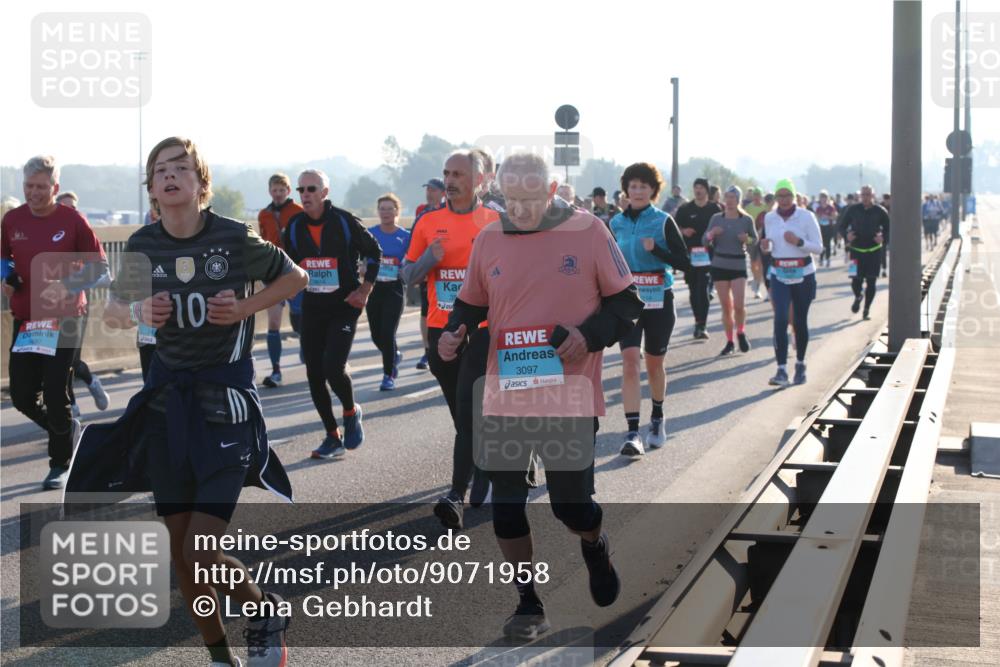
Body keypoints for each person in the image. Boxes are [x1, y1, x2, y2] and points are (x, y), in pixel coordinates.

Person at [67, 136, 307, 667]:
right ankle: (222, 657)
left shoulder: (233, 238)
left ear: (201, 183)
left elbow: (295, 277)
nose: (169, 176)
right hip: (167, 412)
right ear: (152, 188)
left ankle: (263, 608)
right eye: (160, 170)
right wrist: (137, 315)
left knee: (200, 550)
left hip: (226, 409)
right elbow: (111, 314)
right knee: (182, 556)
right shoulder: (142, 244)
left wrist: (244, 307)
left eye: (181, 168)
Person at [438, 152, 643, 640]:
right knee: (506, 508)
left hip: (569, 395)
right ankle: (527, 603)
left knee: (571, 508)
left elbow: (627, 305)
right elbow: (470, 301)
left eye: (531, 199)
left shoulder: (588, 231)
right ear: (498, 193)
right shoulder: (490, 237)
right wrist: (455, 331)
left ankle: (595, 543)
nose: (522, 209)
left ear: (552, 192)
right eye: (512, 199)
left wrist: (587, 336)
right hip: (507, 392)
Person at [401, 150, 500, 529]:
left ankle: (456, 494)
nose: (450, 179)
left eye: (458, 173)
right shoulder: (428, 222)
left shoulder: (493, 222)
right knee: (464, 417)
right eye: (446, 172)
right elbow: (408, 276)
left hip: (482, 329)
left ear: (479, 179)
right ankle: (488, 469)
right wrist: (429, 258)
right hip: (442, 331)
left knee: (470, 406)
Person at [2, 155, 108, 489]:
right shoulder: (12, 220)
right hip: (28, 319)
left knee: (55, 389)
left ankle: (59, 463)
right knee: (21, 395)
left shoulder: (73, 220)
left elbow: (101, 269)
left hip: (66, 319)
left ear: (55, 187)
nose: (33, 193)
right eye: (28, 186)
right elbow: (2, 259)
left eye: (40, 187)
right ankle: (66, 431)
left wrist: (70, 284)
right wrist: (6, 277)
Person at [284, 169, 382, 459]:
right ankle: (332, 436)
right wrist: (285, 286)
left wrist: (365, 290)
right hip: (313, 307)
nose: (305, 195)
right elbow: (285, 261)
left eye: (311, 189)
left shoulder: (344, 220)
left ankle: (351, 411)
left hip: (344, 306)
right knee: (314, 373)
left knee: (333, 367)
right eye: (300, 190)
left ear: (325, 192)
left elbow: (374, 253)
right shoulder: (294, 226)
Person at [609, 163, 690, 457]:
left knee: (654, 364)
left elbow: (683, 262)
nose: (638, 191)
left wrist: (656, 250)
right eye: (633, 186)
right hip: (628, 301)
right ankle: (632, 432)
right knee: (630, 361)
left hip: (659, 298)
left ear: (653, 191)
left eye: (644, 186)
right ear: (626, 190)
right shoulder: (616, 222)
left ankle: (657, 417)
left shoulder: (663, 220)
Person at [760, 179, 822, 387]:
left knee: (800, 321)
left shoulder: (806, 216)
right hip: (779, 274)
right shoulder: (770, 218)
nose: (784, 200)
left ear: (794, 197)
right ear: (776, 198)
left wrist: (799, 242)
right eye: (780, 196)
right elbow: (770, 248)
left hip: (803, 273)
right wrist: (765, 246)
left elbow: (819, 247)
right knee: (780, 319)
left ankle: (801, 365)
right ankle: (781, 370)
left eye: (788, 195)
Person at [55, 190, 111, 416]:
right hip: (50, 307)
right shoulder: (47, 233)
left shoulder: (81, 231)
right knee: (57, 359)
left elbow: (99, 265)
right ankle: (71, 407)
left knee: (72, 359)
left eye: (73, 208)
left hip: (78, 304)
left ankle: (90, 382)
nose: (70, 212)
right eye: (64, 208)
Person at [256, 173, 304, 388]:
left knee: (300, 320)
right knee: (273, 322)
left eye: (281, 190)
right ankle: (276, 371)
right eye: (274, 190)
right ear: (269, 191)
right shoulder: (264, 214)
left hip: (295, 271)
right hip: (273, 273)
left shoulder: (298, 212)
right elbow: (263, 242)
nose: (277, 194)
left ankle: (309, 354)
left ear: (288, 191)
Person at [704, 186, 756, 356]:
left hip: (738, 264)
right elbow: (704, 240)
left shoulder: (746, 220)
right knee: (726, 307)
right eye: (727, 197)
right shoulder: (716, 218)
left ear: (738, 199)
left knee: (739, 306)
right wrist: (712, 234)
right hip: (720, 264)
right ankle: (729, 341)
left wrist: (746, 239)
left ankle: (740, 332)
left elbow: (754, 241)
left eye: (733, 197)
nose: (729, 200)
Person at [367, 193, 410, 390]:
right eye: (382, 209)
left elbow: (412, 260)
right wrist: (361, 266)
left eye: (389, 209)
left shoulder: (405, 236)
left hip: (395, 288)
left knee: (388, 332)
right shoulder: (370, 233)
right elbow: (359, 257)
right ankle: (394, 354)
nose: (385, 213)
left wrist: (404, 267)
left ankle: (388, 375)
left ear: (396, 212)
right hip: (373, 288)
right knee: (377, 334)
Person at [675, 178, 722, 339]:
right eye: (696, 187)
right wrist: (683, 230)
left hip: (709, 254)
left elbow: (721, 228)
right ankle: (698, 321)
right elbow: (674, 228)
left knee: (703, 289)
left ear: (707, 190)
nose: (698, 190)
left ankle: (702, 325)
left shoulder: (714, 209)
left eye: (701, 187)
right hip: (690, 255)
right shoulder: (685, 209)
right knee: (694, 289)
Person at [839, 185, 890, 321]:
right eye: (863, 194)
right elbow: (841, 226)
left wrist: (883, 238)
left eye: (868, 194)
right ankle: (858, 296)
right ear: (860, 196)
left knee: (871, 282)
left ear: (873, 195)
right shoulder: (853, 210)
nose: (866, 197)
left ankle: (866, 309)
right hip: (855, 252)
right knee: (855, 281)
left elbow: (889, 228)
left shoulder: (880, 211)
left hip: (874, 252)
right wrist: (846, 235)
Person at [412, 178, 447, 370]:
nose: (429, 193)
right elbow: (417, 236)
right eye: (427, 189)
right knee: (426, 312)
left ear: (443, 193)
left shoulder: (448, 210)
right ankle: (427, 350)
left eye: (433, 190)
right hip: (428, 268)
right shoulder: (421, 210)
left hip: (447, 268)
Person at [743, 187, 769, 298]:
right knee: (754, 263)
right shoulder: (748, 208)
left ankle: (758, 287)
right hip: (751, 239)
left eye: (759, 194)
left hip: (763, 238)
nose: (757, 197)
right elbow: (744, 223)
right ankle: (756, 280)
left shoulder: (765, 207)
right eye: (755, 195)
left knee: (761, 263)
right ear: (753, 196)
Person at [813, 190, 838, 267]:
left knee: (827, 244)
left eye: (824, 197)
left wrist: (828, 217)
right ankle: (821, 258)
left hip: (829, 227)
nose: (823, 199)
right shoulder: (818, 208)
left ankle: (828, 259)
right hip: (821, 228)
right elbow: (816, 218)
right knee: (821, 243)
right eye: (822, 197)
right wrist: (819, 217)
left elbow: (835, 217)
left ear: (827, 198)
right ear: (820, 199)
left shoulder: (830, 207)